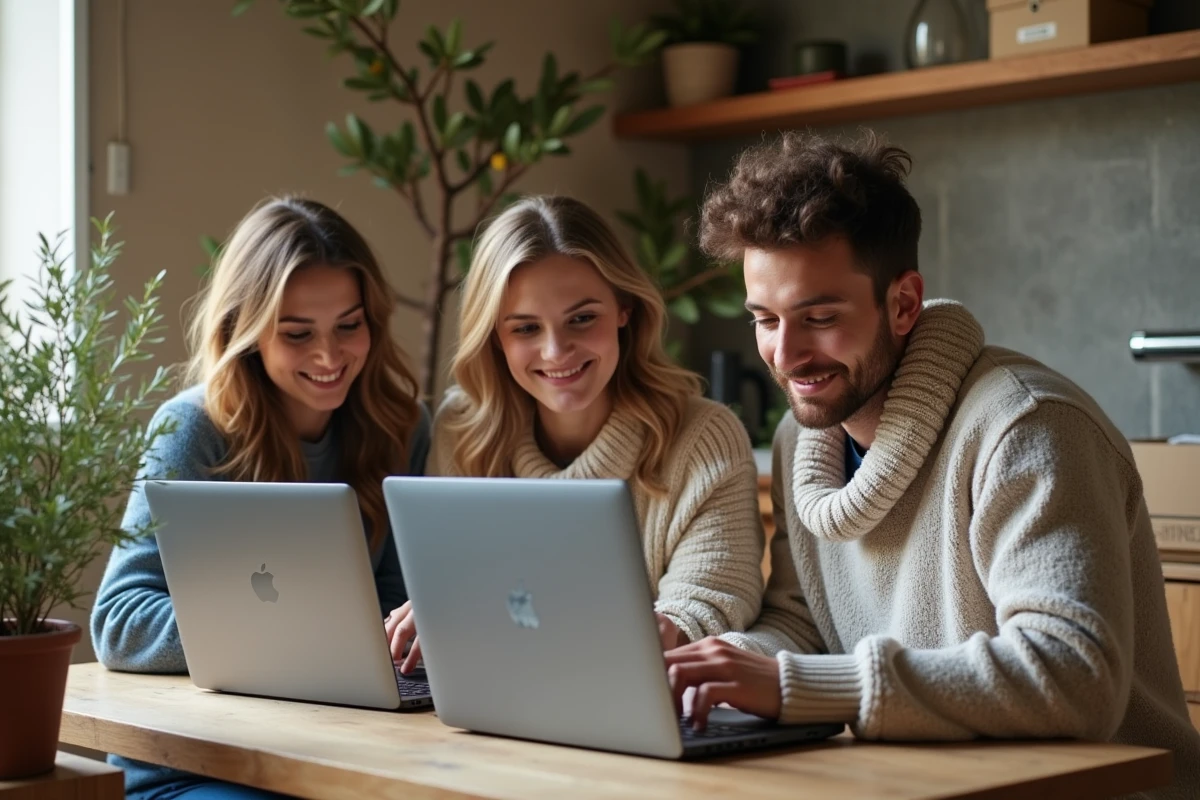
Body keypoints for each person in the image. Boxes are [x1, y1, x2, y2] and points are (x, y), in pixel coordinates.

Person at [663, 131, 1200, 798]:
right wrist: (714, 667)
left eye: (820, 316)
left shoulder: (1029, 428)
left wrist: (795, 687)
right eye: (765, 319)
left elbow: (1072, 677)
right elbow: (802, 626)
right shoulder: (806, 440)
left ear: (904, 303)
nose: (787, 354)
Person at [90, 196, 431, 800]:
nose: (330, 357)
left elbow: (393, 607)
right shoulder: (193, 428)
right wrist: (300, 631)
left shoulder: (401, 427)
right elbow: (119, 623)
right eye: (297, 334)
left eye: (348, 326)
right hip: (197, 766)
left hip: (342, 752)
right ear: (245, 332)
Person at [384, 195, 764, 672]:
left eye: (582, 318)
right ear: (494, 337)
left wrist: (483, 613)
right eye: (524, 328)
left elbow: (706, 605)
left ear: (624, 308)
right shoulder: (464, 429)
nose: (556, 351)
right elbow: (446, 583)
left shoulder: (703, 437)